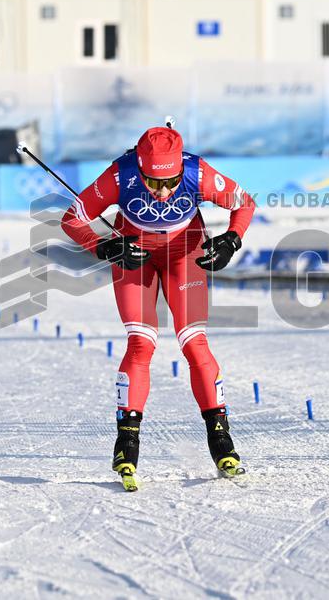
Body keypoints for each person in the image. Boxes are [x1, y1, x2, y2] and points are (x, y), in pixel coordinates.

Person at [60, 125, 256, 489]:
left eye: (171, 183)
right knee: (140, 343)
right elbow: (72, 219)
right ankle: (127, 443)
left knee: (194, 341)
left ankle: (221, 439)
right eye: (152, 183)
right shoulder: (120, 175)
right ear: (140, 167)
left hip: (186, 251)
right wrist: (104, 247)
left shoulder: (198, 172)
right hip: (134, 254)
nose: (163, 193)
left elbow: (244, 202)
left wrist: (231, 240)